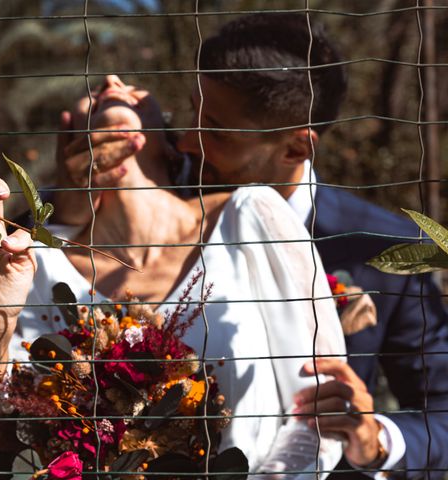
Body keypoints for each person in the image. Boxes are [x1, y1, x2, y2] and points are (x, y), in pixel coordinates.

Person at [53, 13, 448, 480]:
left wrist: (375, 438)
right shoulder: (161, 195)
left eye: (216, 130)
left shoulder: (377, 248)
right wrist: (73, 198)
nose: (187, 140)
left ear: (296, 148)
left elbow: (441, 409)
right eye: (192, 109)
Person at [0, 79, 347, 478]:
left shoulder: (253, 216)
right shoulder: (34, 263)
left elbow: (322, 413)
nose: (110, 84)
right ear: (69, 145)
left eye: (134, 87)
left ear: (171, 142)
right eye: (92, 91)